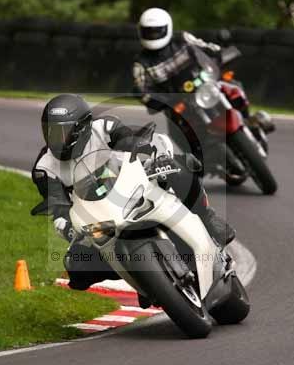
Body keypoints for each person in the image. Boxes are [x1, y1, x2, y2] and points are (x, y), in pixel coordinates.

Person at [32, 94, 236, 290]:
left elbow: (134, 138)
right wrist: (69, 228)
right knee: (76, 268)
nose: (56, 139)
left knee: (179, 167)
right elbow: (57, 207)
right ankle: (146, 282)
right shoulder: (44, 168)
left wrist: (152, 153)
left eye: (62, 132)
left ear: (82, 127)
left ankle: (208, 219)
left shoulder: (104, 127)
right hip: (98, 216)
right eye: (50, 132)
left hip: (131, 184)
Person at [132, 8, 275, 158]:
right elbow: (140, 88)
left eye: (157, 31)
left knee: (232, 87)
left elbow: (204, 46)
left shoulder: (182, 38)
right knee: (178, 131)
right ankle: (200, 158)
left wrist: (219, 53)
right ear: (141, 32)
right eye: (148, 32)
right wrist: (152, 98)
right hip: (176, 102)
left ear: (168, 28)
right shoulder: (141, 62)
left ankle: (249, 120)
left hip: (203, 84)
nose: (153, 35)